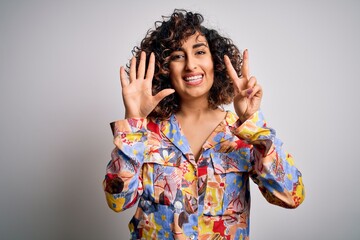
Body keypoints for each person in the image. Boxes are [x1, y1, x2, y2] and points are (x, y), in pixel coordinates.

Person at [103, 9, 305, 240]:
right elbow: (117, 201)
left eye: (199, 51)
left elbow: (291, 196)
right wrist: (133, 121)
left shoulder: (241, 133)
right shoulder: (144, 133)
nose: (191, 65)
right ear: (165, 68)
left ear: (215, 61)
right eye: (178, 56)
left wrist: (253, 122)